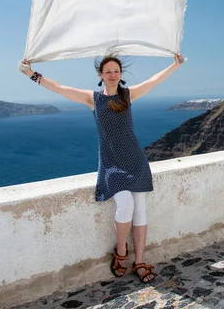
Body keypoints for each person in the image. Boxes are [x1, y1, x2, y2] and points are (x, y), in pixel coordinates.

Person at [19, 53, 184, 283]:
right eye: (108, 71)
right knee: (125, 205)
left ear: (120, 74)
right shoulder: (93, 99)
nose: (113, 75)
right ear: (101, 75)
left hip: (136, 161)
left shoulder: (128, 94)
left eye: (116, 71)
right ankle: (121, 251)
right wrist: (31, 74)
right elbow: (59, 88)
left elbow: (154, 81)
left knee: (141, 210)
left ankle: (139, 261)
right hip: (111, 164)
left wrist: (174, 65)